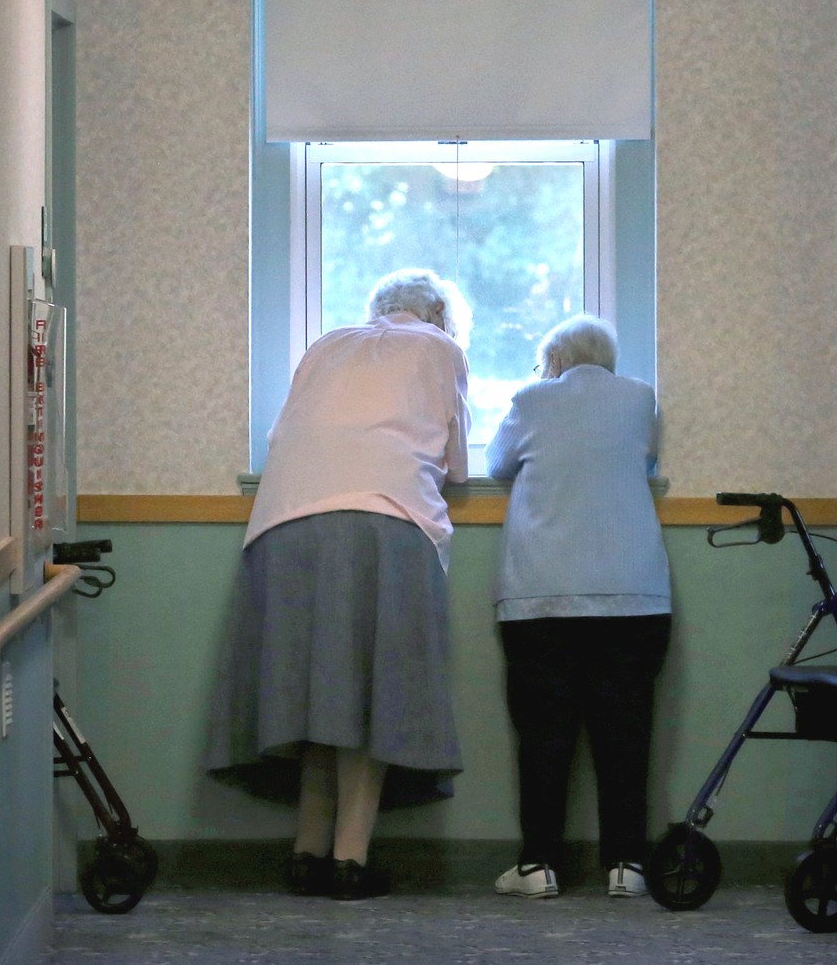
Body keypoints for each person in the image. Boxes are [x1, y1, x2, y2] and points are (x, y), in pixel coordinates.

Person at [205, 268, 473, 901]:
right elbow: (457, 465)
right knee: (371, 693)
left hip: (283, 525)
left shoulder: (325, 344)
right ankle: (351, 859)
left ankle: (307, 851)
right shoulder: (439, 349)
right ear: (439, 317)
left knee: (314, 693)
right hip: (385, 518)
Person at [486, 314, 671, 901]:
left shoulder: (531, 398)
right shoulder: (641, 398)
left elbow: (496, 464)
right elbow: (645, 461)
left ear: (555, 361)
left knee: (544, 735)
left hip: (542, 595)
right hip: (634, 593)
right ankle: (627, 865)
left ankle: (539, 864)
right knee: (627, 733)